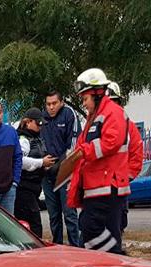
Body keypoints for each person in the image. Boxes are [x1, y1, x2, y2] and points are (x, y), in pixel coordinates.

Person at [66, 68, 130, 254]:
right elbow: (82, 143)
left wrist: (82, 152)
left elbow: (111, 142)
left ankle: (116, 257)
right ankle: (110, 258)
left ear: (97, 93)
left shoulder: (113, 112)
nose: (84, 103)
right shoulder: (94, 117)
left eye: (85, 98)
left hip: (108, 185)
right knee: (89, 227)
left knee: (92, 227)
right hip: (97, 186)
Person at [42, 91, 81, 246]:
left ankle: (75, 246)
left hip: (65, 173)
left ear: (61, 102)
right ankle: (56, 246)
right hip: (47, 174)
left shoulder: (69, 114)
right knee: (53, 215)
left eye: (54, 103)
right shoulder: (42, 118)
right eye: (48, 104)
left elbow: (74, 145)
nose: (51, 107)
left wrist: (60, 165)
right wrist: (42, 161)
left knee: (69, 213)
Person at [107, 81, 144, 237]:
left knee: (117, 225)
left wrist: (126, 177)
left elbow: (136, 154)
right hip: (99, 187)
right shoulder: (95, 125)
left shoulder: (128, 126)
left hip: (118, 185)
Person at [13, 108, 55, 237]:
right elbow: (20, 161)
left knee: (34, 225)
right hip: (24, 188)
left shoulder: (36, 138)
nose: (40, 127)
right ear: (28, 122)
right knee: (34, 226)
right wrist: (41, 162)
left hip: (34, 188)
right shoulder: (23, 139)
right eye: (38, 123)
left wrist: (45, 166)